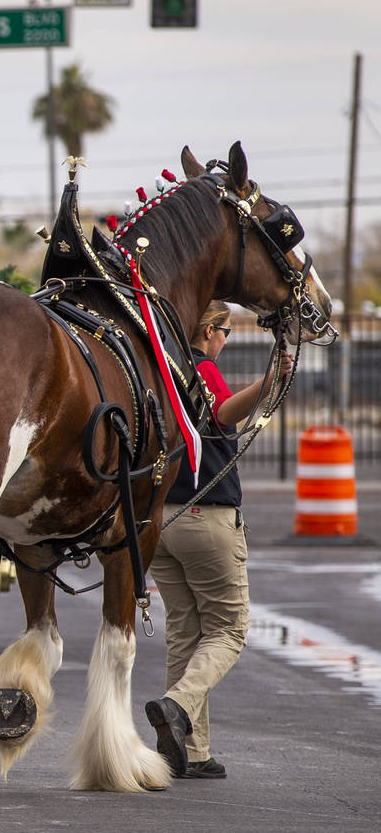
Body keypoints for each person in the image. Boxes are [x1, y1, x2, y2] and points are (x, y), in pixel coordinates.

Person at [146, 301, 293, 780]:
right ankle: (178, 705)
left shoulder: (159, 365)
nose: (226, 339)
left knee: (184, 634)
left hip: (160, 520)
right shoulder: (199, 366)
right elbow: (225, 411)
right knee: (229, 629)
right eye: (226, 331)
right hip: (205, 517)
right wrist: (269, 382)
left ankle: (192, 750)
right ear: (209, 330)